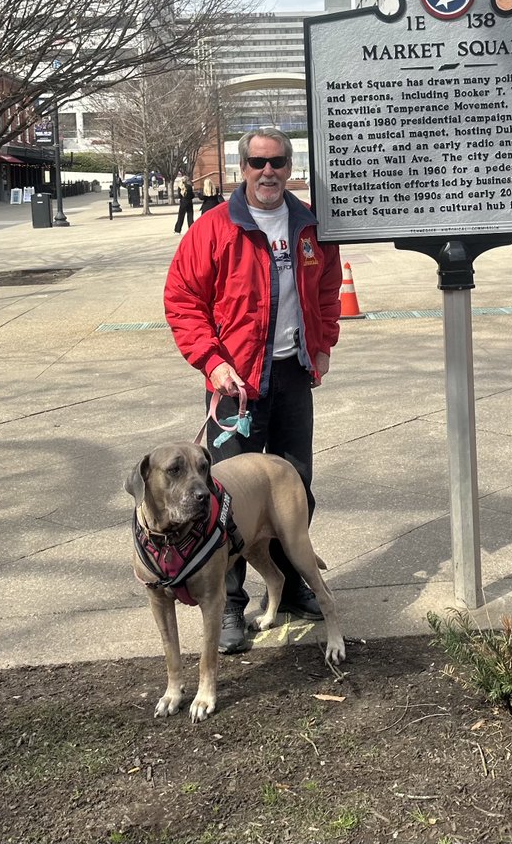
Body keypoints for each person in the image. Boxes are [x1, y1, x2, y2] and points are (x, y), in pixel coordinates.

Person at [163, 127, 342, 654]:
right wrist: (212, 362)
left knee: (296, 486)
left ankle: (287, 587)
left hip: (291, 376)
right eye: (258, 162)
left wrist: (324, 342)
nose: (269, 172)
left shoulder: (309, 226)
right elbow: (182, 301)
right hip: (234, 384)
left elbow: (328, 290)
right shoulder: (214, 229)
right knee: (221, 501)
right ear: (241, 168)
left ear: (290, 167)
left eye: (278, 162)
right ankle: (230, 606)